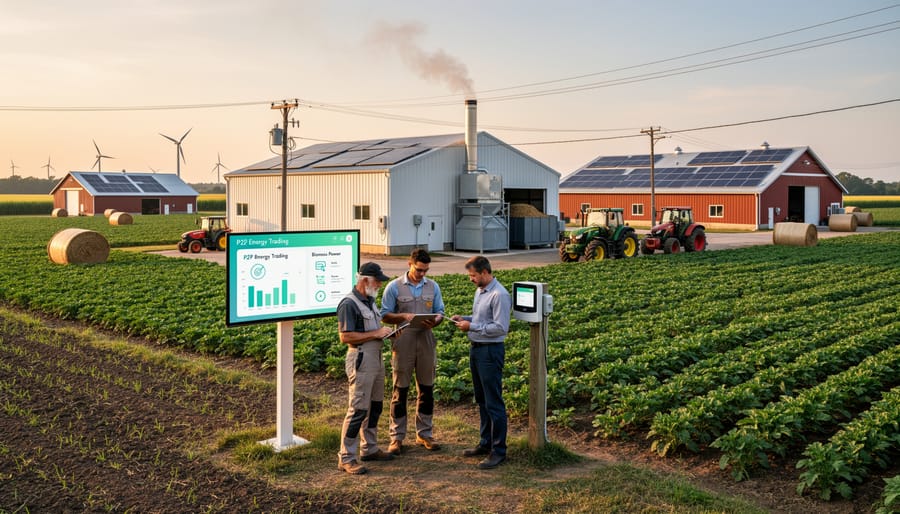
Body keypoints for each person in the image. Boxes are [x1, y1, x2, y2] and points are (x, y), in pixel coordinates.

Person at [380, 249, 445, 455]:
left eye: (425, 270)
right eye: (419, 270)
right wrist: (403, 316)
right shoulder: (394, 287)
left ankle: (424, 433)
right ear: (410, 264)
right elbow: (384, 316)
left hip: (426, 338)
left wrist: (435, 321)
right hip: (404, 340)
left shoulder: (433, 286)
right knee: (400, 390)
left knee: (426, 389)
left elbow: (440, 312)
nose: (422, 274)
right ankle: (396, 437)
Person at [450, 256, 511, 470]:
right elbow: (482, 319)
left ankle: (499, 451)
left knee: (493, 402)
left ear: (485, 272)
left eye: (473, 275)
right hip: (477, 350)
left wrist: (472, 327)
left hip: (490, 351)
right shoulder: (480, 291)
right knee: (482, 400)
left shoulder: (499, 295)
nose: (471, 279)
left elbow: (501, 328)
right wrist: (465, 318)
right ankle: (485, 443)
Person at [336, 262, 397, 475]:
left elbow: (374, 329)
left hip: (376, 358)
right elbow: (345, 336)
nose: (380, 284)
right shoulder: (348, 304)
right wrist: (376, 334)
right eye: (377, 280)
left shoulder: (370, 301)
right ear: (365, 280)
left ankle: (369, 448)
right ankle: (346, 457)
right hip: (361, 358)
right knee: (358, 409)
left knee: (375, 406)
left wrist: (387, 333)